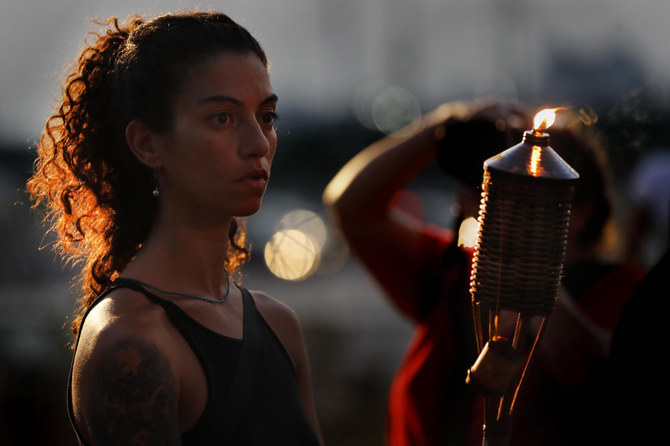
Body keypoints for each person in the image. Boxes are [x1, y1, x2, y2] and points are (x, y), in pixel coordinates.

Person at [27, 12, 323, 445]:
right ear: (147, 144)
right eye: (222, 118)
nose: (259, 144)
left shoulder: (279, 325)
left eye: (267, 117)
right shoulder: (131, 344)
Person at [323, 101, 529, 445]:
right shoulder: (456, 275)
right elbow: (350, 205)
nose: (493, 182)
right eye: (487, 172)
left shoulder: (603, 294)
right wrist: (444, 126)